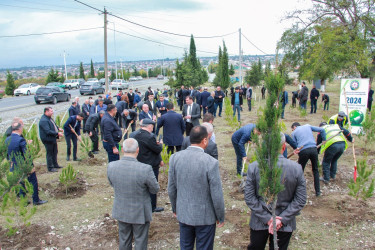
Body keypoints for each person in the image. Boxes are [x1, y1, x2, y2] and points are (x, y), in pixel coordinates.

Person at [245, 133, 306, 250]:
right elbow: (300, 200)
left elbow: (249, 197)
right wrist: (281, 219)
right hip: (285, 223)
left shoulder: (254, 167)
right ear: (284, 147)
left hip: (259, 220)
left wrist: (267, 219)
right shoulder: (296, 168)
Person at [168, 126, 225, 249]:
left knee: (186, 246)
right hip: (205, 217)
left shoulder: (175, 158)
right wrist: (220, 216)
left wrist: (175, 208)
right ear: (204, 140)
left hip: (183, 212)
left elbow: (171, 188)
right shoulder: (211, 162)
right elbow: (216, 194)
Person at [107, 138, 160, 250]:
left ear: (122, 150)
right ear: (138, 150)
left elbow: (113, 184)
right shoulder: (145, 169)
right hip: (140, 211)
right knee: (140, 241)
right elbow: (155, 189)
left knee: (124, 240)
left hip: (121, 209)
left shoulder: (111, 166)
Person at [6, 119, 48, 205]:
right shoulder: (21, 140)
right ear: (19, 129)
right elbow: (26, 154)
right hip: (24, 166)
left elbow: (7, 154)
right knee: (33, 182)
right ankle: (36, 200)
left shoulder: (7, 140)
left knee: (20, 183)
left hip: (13, 165)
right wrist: (31, 166)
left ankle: (24, 201)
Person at [133, 119, 164, 213]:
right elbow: (157, 149)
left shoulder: (134, 134)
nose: (152, 129)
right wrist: (160, 144)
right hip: (151, 164)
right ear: (149, 126)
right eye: (152, 127)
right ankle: (152, 206)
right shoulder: (149, 137)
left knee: (140, 185)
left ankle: (141, 203)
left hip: (139, 162)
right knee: (152, 185)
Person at [291, 122, 326, 196]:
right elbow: (322, 130)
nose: (292, 131)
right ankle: (318, 192)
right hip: (314, 149)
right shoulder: (308, 126)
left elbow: (295, 145)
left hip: (303, 151)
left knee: (300, 171)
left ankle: (297, 192)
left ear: (294, 127)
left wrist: (297, 151)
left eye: (292, 129)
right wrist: (324, 139)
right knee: (315, 170)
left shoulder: (294, 133)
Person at [39, 107, 64, 172]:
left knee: (55, 152)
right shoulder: (44, 120)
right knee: (50, 153)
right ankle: (50, 167)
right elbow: (48, 131)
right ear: (46, 112)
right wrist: (57, 133)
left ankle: (55, 164)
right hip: (48, 139)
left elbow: (53, 125)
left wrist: (58, 128)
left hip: (52, 138)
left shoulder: (49, 118)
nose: (52, 112)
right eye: (51, 111)